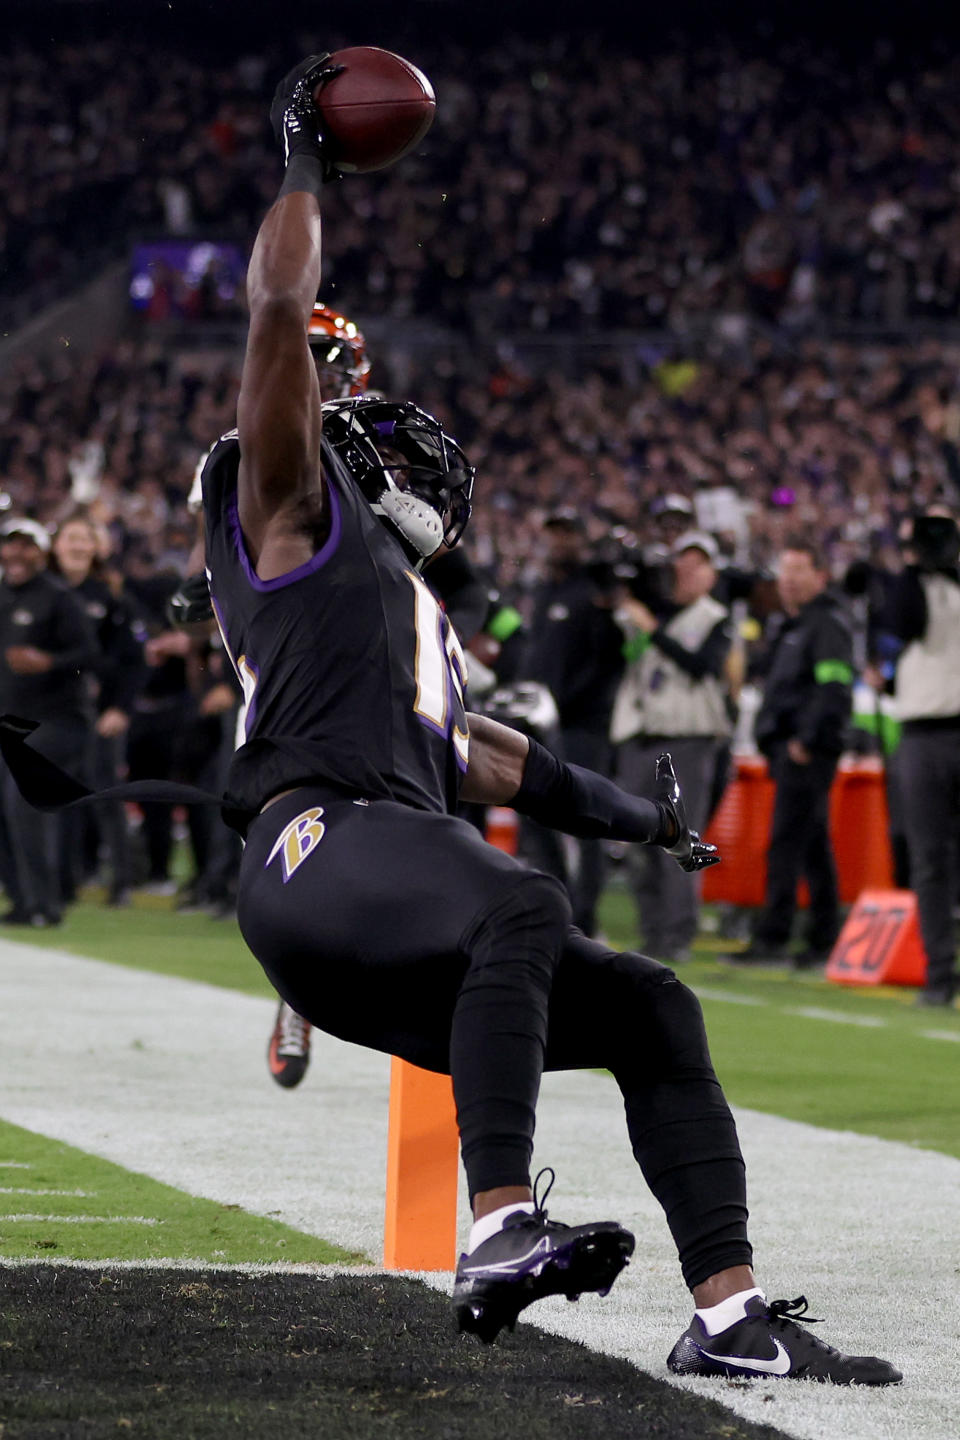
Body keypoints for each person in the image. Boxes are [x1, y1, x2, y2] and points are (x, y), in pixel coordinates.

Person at [3, 56, 900, 1385]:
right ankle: (494, 1230)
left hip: (385, 878)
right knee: (523, 905)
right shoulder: (286, 515)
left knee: (654, 1006)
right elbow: (271, 306)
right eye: (367, 421)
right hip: (318, 847)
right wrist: (306, 163)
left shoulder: (395, 609)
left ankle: (729, 1318)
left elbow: (482, 754)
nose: (411, 457)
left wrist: (641, 816)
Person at [730, 537, 854, 968]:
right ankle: (824, 936)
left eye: (799, 570)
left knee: (785, 844)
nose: (789, 581)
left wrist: (806, 738)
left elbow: (834, 686)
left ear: (821, 576)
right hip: (788, 749)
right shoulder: (792, 626)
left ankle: (774, 937)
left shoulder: (826, 625)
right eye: (785, 571)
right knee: (812, 845)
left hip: (807, 751)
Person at [611, 531, 732, 962]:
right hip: (640, 737)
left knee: (678, 841)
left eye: (699, 563)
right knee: (639, 843)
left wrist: (653, 629)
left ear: (712, 574)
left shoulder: (716, 617)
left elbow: (701, 666)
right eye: (683, 561)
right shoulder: (654, 611)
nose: (688, 570)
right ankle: (652, 933)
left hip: (688, 739)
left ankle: (678, 935)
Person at [518, 507, 625, 934]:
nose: (559, 542)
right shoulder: (546, 591)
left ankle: (585, 917)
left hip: (582, 727)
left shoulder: (593, 593)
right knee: (538, 820)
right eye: (553, 534)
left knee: (583, 821)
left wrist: (564, 703)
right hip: (541, 725)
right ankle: (557, 909)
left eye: (567, 534)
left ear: (582, 539)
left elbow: (607, 663)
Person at [0, 516, 99, 925]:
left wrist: (49, 662)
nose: (17, 554)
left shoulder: (59, 598)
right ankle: (23, 900)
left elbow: (90, 654)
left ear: (42, 554)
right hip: (12, 724)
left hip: (58, 722)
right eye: (10, 545)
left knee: (22, 802)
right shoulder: (2, 597)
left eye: (27, 546)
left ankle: (47, 904)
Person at [50, 511, 148, 905]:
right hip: (54, 717)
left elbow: (134, 660)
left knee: (106, 799)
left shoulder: (109, 595)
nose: (76, 546)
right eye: (70, 538)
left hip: (100, 715)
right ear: (56, 546)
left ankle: (121, 882)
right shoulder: (39, 591)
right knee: (57, 800)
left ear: (96, 548)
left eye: (84, 539)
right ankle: (61, 882)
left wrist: (121, 708)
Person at [887, 509, 960, 1005]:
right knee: (929, 859)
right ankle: (940, 975)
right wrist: (913, 562)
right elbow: (903, 622)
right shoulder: (906, 586)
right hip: (920, 733)